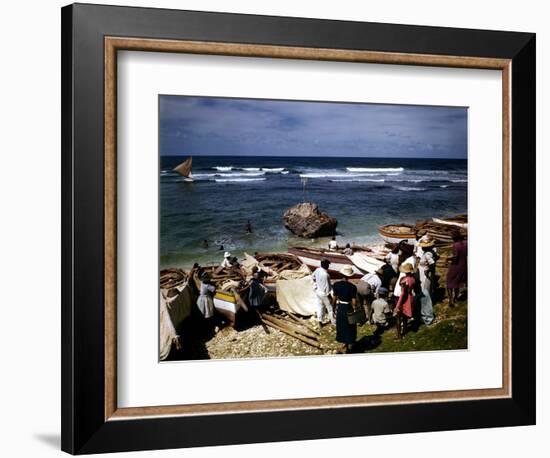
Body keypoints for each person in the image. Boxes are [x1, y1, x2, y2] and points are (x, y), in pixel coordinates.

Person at [332, 265, 358, 353]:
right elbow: (354, 301)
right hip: (348, 307)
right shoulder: (352, 287)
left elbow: (334, 299)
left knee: (341, 325)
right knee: (350, 325)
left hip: (341, 307)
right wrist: (355, 309)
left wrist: (333, 308)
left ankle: (343, 344)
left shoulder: (336, 285)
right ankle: (349, 343)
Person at [393, 263, 416, 338]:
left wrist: (397, 305)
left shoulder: (404, 280)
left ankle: (399, 336)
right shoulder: (412, 279)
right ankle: (405, 331)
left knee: (398, 317)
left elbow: (403, 293)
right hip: (410, 298)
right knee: (405, 316)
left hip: (403, 299)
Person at [417, 240, 435, 325]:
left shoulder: (427, 254)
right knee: (427, 293)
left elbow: (432, 263)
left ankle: (427, 317)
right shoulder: (431, 252)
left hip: (424, 276)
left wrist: (427, 270)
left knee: (425, 294)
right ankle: (426, 314)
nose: (422, 247)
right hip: (425, 274)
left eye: (423, 246)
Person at [446, 233, 467, 307]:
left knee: (449, 282)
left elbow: (455, 257)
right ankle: (455, 298)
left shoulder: (456, 245)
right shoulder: (466, 243)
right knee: (458, 282)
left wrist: (448, 258)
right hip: (463, 265)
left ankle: (451, 300)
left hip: (456, 265)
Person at [312, 259, 334, 325]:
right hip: (323, 293)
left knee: (320, 306)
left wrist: (317, 283)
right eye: (328, 265)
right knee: (330, 308)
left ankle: (320, 320)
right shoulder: (325, 275)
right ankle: (333, 322)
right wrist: (330, 296)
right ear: (325, 265)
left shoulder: (317, 270)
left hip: (318, 291)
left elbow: (313, 277)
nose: (328, 266)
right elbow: (326, 287)